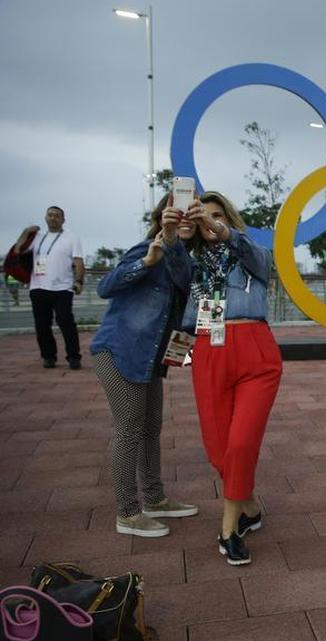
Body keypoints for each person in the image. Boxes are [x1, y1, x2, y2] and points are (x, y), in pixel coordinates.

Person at [180, 191, 281, 566]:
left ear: (228, 219)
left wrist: (221, 231)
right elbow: (184, 316)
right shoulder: (190, 265)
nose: (209, 221)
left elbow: (258, 258)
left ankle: (229, 529)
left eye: (217, 215)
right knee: (217, 447)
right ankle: (249, 507)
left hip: (254, 349)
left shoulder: (250, 255)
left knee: (240, 443)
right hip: (208, 350)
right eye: (202, 216)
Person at [90, 194, 199, 537]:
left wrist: (180, 353)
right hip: (118, 350)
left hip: (149, 358)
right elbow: (104, 287)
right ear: (162, 216)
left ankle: (154, 498)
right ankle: (128, 513)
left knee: (151, 427)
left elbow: (183, 278)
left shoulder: (184, 262)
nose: (183, 221)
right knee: (130, 428)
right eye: (176, 215)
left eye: (190, 219)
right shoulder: (144, 250)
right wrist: (147, 262)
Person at [15, 206, 86, 369]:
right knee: (42, 325)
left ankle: (74, 357)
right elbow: (18, 250)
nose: (53, 218)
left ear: (63, 219)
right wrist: (26, 231)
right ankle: (48, 356)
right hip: (38, 287)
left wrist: (79, 281)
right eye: (50, 215)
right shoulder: (36, 237)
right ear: (45, 217)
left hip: (63, 288)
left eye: (57, 216)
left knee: (65, 321)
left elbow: (78, 261)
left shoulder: (71, 237)